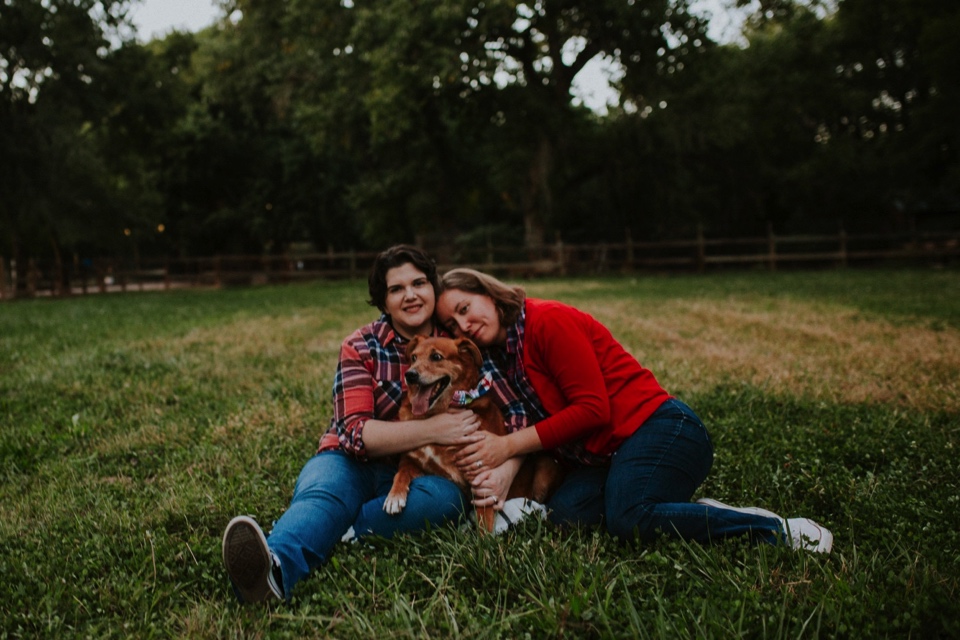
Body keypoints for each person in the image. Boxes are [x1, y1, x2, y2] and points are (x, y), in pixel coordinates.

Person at [436, 268, 833, 554]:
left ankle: (774, 530)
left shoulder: (546, 321)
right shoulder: (500, 360)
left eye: (466, 308)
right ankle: (690, 511)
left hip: (660, 428)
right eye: (452, 323)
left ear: (487, 291)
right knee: (567, 516)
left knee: (631, 519)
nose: (464, 324)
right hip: (603, 458)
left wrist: (505, 448)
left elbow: (593, 410)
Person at [221, 246, 526, 604]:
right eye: (397, 289)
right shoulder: (360, 345)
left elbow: (516, 409)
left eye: (419, 283)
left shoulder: (457, 342)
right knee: (326, 493)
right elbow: (352, 433)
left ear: (433, 289)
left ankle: (329, 530)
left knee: (444, 501)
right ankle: (271, 571)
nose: (410, 295)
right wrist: (436, 429)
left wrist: (506, 465)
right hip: (352, 460)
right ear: (383, 301)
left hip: (422, 474)